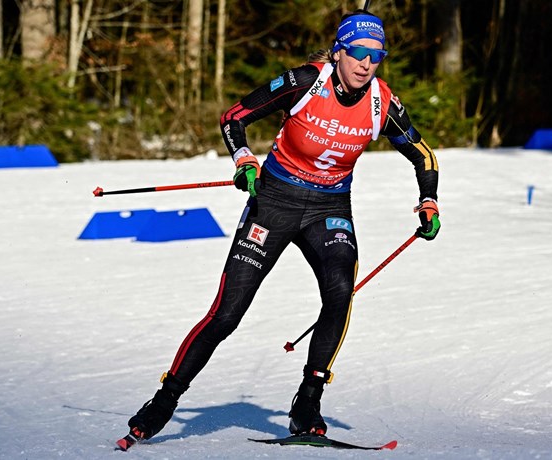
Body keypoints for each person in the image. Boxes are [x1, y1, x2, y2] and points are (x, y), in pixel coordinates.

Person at [122, 8, 440, 444]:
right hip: (273, 200)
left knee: (340, 293)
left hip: (329, 207)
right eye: (359, 53)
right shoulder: (306, 82)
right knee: (228, 313)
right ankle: (165, 399)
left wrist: (428, 200)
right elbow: (234, 117)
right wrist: (244, 160)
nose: (367, 64)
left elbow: (422, 153)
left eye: (377, 55)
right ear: (338, 52)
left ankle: (308, 401)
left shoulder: (382, 102)